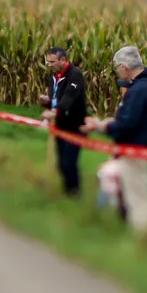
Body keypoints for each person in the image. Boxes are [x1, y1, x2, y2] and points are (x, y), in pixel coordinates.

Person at [82, 46, 147, 234]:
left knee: (137, 199)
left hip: (136, 151)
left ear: (123, 67)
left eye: (117, 68)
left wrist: (102, 127)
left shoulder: (138, 90)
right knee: (143, 195)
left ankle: (143, 238)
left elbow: (127, 123)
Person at [40, 47, 87, 197]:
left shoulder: (75, 75)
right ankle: (68, 191)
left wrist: (55, 111)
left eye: (52, 62)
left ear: (63, 60)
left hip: (75, 126)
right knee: (61, 164)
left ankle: (74, 192)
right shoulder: (54, 76)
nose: (49, 65)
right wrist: (47, 103)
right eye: (48, 62)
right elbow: (56, 99)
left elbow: (68, 98)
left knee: (69, 162)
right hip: (60, 124)